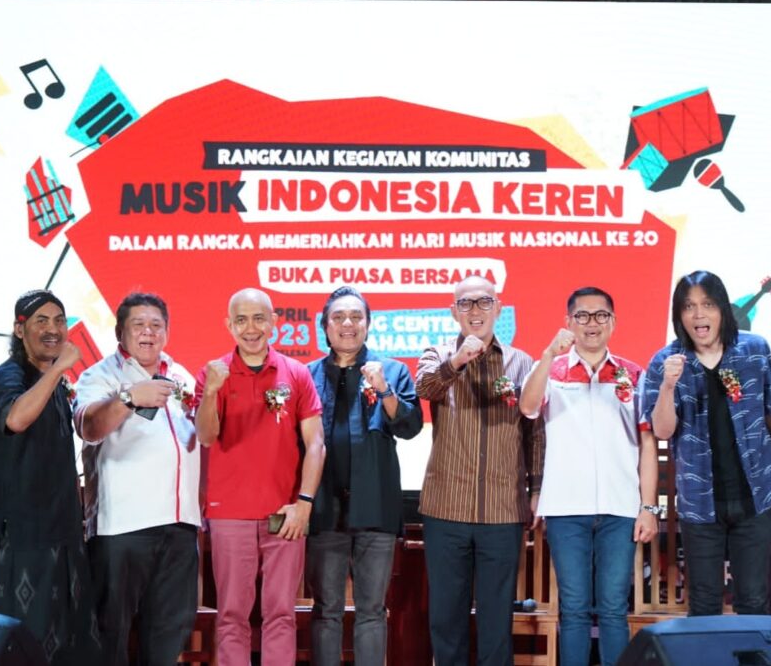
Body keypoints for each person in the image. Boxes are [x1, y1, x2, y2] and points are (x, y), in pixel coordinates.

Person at [519, 287, 658, 666]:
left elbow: (647, 443)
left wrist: (648, 507)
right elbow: (528, 407)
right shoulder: (552, 371)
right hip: (566, 508)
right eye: (582, 315)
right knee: (575, 608)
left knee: (613, 607)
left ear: (613, 322)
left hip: (620, 507)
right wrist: (548, 355)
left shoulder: (632, 373)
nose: (591, 323)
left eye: (600, 315)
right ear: (569, 322)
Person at [641, 270, 771, 616]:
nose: (699, 315)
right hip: (699, 501)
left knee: (753, 600)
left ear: (723, 308)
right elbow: (662, 431)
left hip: (755, 494)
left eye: (707, 304)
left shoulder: (754, 350)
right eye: (688, 307)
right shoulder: (665, 362)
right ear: (678, 315)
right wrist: (667, 386)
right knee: (704, 603)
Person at [415, 275, 544, 666]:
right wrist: (457, 361)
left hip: (502, 510)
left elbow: (535, 433)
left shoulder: (521, 362)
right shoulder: (437, 353)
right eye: (466, 303)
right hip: (446, 508)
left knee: (496, 619)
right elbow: (425, 388)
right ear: (453, 311)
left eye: (484, 302)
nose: (475, 311)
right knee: (446, 617)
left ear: (498, 309)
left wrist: (536, 490)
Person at [195, 288, 325, 666]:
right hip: (229, 512)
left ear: (273, 322)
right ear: (229, 325)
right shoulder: (213, 373)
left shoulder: (296, 372)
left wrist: (304, 503)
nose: (250, 328)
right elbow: (205, 436)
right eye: (241, 320)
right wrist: (211, 393)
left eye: (258, 319)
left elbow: (316, 443)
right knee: (231, 614)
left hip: (285, 513)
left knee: (281, 613)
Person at [74, 292, 201, 666]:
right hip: (123, 527)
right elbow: (89, 428)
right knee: (111, 631)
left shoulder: (180, 374)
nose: (149, 332)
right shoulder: (99, 375)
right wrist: (129, 398)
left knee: (169, 633)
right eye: (139, 325)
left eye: (156, 325)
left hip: (180, 525)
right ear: (120, 333)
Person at [305, 286, 423, 666]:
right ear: (325, 326)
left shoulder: (392, 371)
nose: (348, 324)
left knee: (372, 610)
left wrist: (384, 390)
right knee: (326, 610)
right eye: (338, 317)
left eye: (356, 316)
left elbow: (410, 427)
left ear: (368, 324)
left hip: (376, 509)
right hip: (324, 511)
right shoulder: (307, 375)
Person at [0, 290, 101, 664]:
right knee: (28, 645)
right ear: (19, 330)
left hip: (62, 531)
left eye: (59, 321)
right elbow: (16, 419)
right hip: (23, 534)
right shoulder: (8, 376)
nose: (53, 330)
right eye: (41, 321)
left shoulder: (53, 382)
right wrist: (58, 369)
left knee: (72, 643)